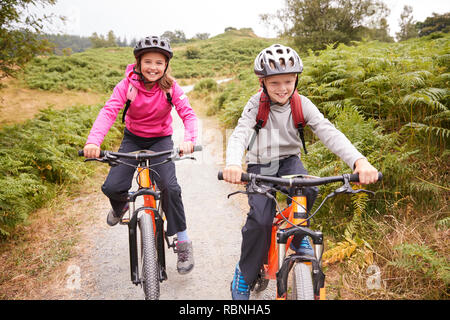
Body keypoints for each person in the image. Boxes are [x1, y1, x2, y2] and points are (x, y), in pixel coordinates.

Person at [222, 44, 378, 300]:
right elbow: (240, 133)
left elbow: (329, 133)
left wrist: (359, 161)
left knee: (309, 187)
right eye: (275, 83)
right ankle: (245, 274)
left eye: (289, 81)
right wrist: (233, 163)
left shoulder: (301, 104)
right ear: (262, 82)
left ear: (296, 79)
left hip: (289, 161)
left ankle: (296, 232)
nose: (283, 88)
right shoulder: (255, 105)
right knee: (260, 220)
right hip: (262, 164)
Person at [83, 36, 198, 275]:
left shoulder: (171, 87)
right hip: (132, 139)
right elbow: (109, 112)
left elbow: (188, 114)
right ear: (138, 62)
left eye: (159, 62)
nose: (153, 67)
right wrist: (93, 141)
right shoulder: (127, 85)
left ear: (166, 65)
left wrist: (189, 140)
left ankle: (183, 240)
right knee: (112, 186)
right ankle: (120, 207)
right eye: (148, 61)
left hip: (160, 140)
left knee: (170, 187)